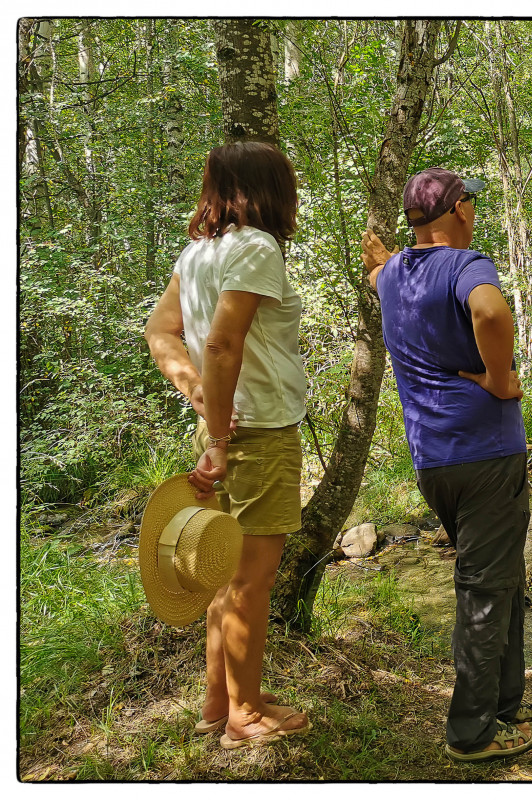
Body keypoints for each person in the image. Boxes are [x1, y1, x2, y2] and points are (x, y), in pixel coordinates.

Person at [361, 167, 532, 762]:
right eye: (470, 201)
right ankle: (472, 732)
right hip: (486, 453)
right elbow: (492, 314)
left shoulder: (394, 275)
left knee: (502, 579)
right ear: (463, 210)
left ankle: (507, 704)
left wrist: (384, 256)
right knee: (484, 589)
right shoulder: (469, 266)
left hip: (434, 461)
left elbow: (381, 274)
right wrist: (499, 379)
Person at [144, 141, 311, 750]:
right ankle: (244, 717)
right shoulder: (257, 247)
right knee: (252, 579)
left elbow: (160, 331)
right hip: (256, 431)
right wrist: (218, 431)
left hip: (226, 426)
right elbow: (220, 344)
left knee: (225, 571)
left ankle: (221, 701)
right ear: (271, 189)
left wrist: (199, 401)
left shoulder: (198, 253)